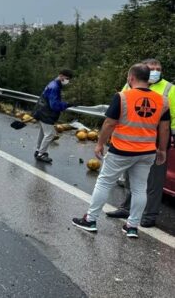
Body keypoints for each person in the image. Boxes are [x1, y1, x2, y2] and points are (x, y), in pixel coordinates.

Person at [72, 64, 169, 238]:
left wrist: (100, 144)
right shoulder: (162, 101)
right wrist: (162, 149)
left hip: (122, 150)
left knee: (104, 183)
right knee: (140, 189)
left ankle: (91, 220)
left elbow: (109, 123)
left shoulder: (123, 97)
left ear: (131, 78)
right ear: (148, 79)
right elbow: (164, 129)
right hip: (147, 151)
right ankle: (132, 226)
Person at [106, 58, 175, 227]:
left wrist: (167, 140)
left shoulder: (170, 89)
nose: (155, 71)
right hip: (133, 138)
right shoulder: (131, 84)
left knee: (154, 181)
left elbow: (171, 119)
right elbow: (122, 106)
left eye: (158, 68)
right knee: (133, 177)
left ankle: (149, 215)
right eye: (151, 68)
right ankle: (127, 208)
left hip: (158, 138)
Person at [32, 69, 75, 163]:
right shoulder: (55, 87)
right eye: (67, 78)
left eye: (69, 79)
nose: (67, 81)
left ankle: (38, 150)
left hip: (41, 110)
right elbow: (54, 105)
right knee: (50, 134)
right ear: (61, 76)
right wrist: (67, 104)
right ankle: (41, 154)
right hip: (46, 113)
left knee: (43, 133)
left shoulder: (53, 83)